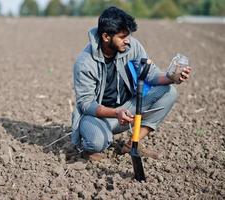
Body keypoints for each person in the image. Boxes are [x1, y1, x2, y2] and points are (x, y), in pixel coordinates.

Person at [71, 7, 192, 161]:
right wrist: (116, 113)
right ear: (106, 36)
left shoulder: (131, 46)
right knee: (96, 143)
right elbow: (86, 104)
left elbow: (150, 74)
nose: (127, 40)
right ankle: (90, 147)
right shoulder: (85, 62)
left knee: (169, 92)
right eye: (122, 37)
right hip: (98, 115)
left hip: (127, 109)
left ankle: (132, 144)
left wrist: (172, 77)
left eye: (128, 35)